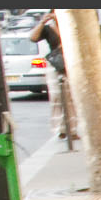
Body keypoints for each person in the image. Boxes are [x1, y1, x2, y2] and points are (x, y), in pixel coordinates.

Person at [27, 11, 72, 140]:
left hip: (71, 61)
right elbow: (33, 38)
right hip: (56, 63)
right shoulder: (48, 28)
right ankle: (60, 129)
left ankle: (72, 129)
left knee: (71, 96)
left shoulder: (68, 25)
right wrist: (42, 22)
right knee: (57, 96)